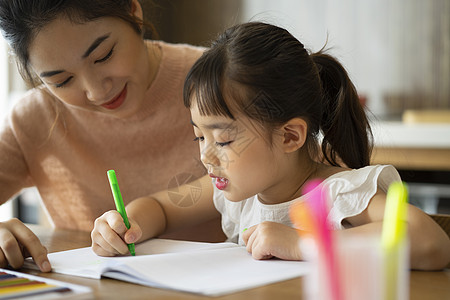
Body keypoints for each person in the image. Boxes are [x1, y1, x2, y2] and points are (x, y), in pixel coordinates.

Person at [92, 21, 450, 270]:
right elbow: (162, 208)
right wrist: (125, 224)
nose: (205, 154)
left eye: (224, 139)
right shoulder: (243, 189)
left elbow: (430, 242)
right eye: (200, 137)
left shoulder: (338, 193)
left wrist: (301, 243)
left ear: (290, 136)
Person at [0, 0, 222, 273]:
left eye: (103, 55)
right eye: (61, 81)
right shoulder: (36, 117)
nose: (96, 92)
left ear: (133, 11)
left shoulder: (223, 83)